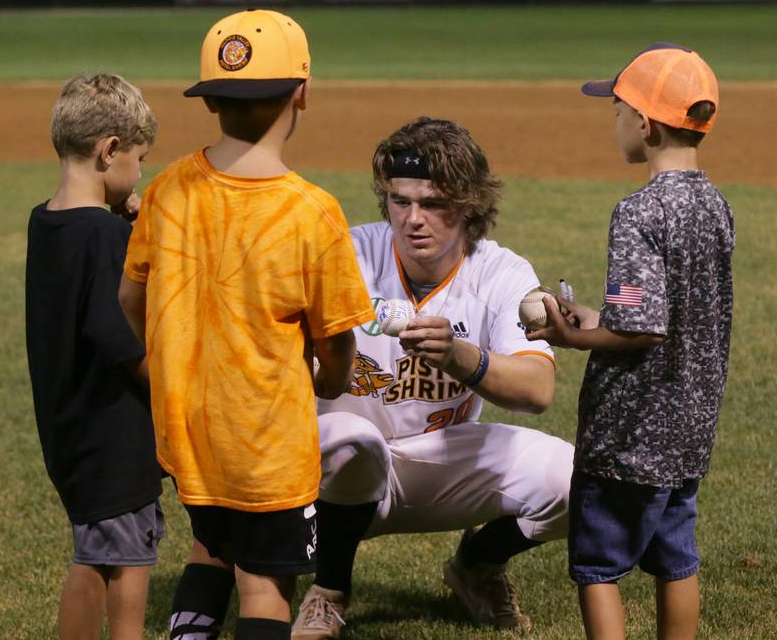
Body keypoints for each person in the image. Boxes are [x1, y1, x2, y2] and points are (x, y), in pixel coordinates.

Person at [118, 10, 374, 640]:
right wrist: (334, 380)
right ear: (303, 92)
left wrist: (165, 367)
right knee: (264, 581)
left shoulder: (168, 188)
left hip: (189, 433)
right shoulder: (312, 211)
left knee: (212, 548)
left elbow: (131, 298)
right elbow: (335, 340)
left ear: (211, 101)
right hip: (265, 441)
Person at [292, 117, 575, 638]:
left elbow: (537, 390)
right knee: (357, 440)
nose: (413, 219)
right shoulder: (347, 256)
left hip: (441, 461)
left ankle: (478, 564)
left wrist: (461, 357)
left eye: (433, 203)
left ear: (469, 205)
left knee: (575, 479)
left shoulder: (500, 272)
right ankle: (329, 589)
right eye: (401, 201)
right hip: (331, 469)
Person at [527, 43, 734, 640]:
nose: (614, 121)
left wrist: (569, 334)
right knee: (676, 559)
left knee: (598, 566)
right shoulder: (716, 205)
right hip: (689, 425)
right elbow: (665, 314)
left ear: (643, 123)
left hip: (630, 429)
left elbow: (639, 328)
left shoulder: (640, 210)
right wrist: (594, 315)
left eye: (617, 110)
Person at [25, 73, 162, 640]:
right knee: (129, 560)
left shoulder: (48, 220)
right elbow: (119, 339)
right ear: (110, 151)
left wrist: (121, 225)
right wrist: (175, 382)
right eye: (138, 158)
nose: (139, 172)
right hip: (112, 433)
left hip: (71, 424)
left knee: (94, 551)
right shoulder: (105, 238)